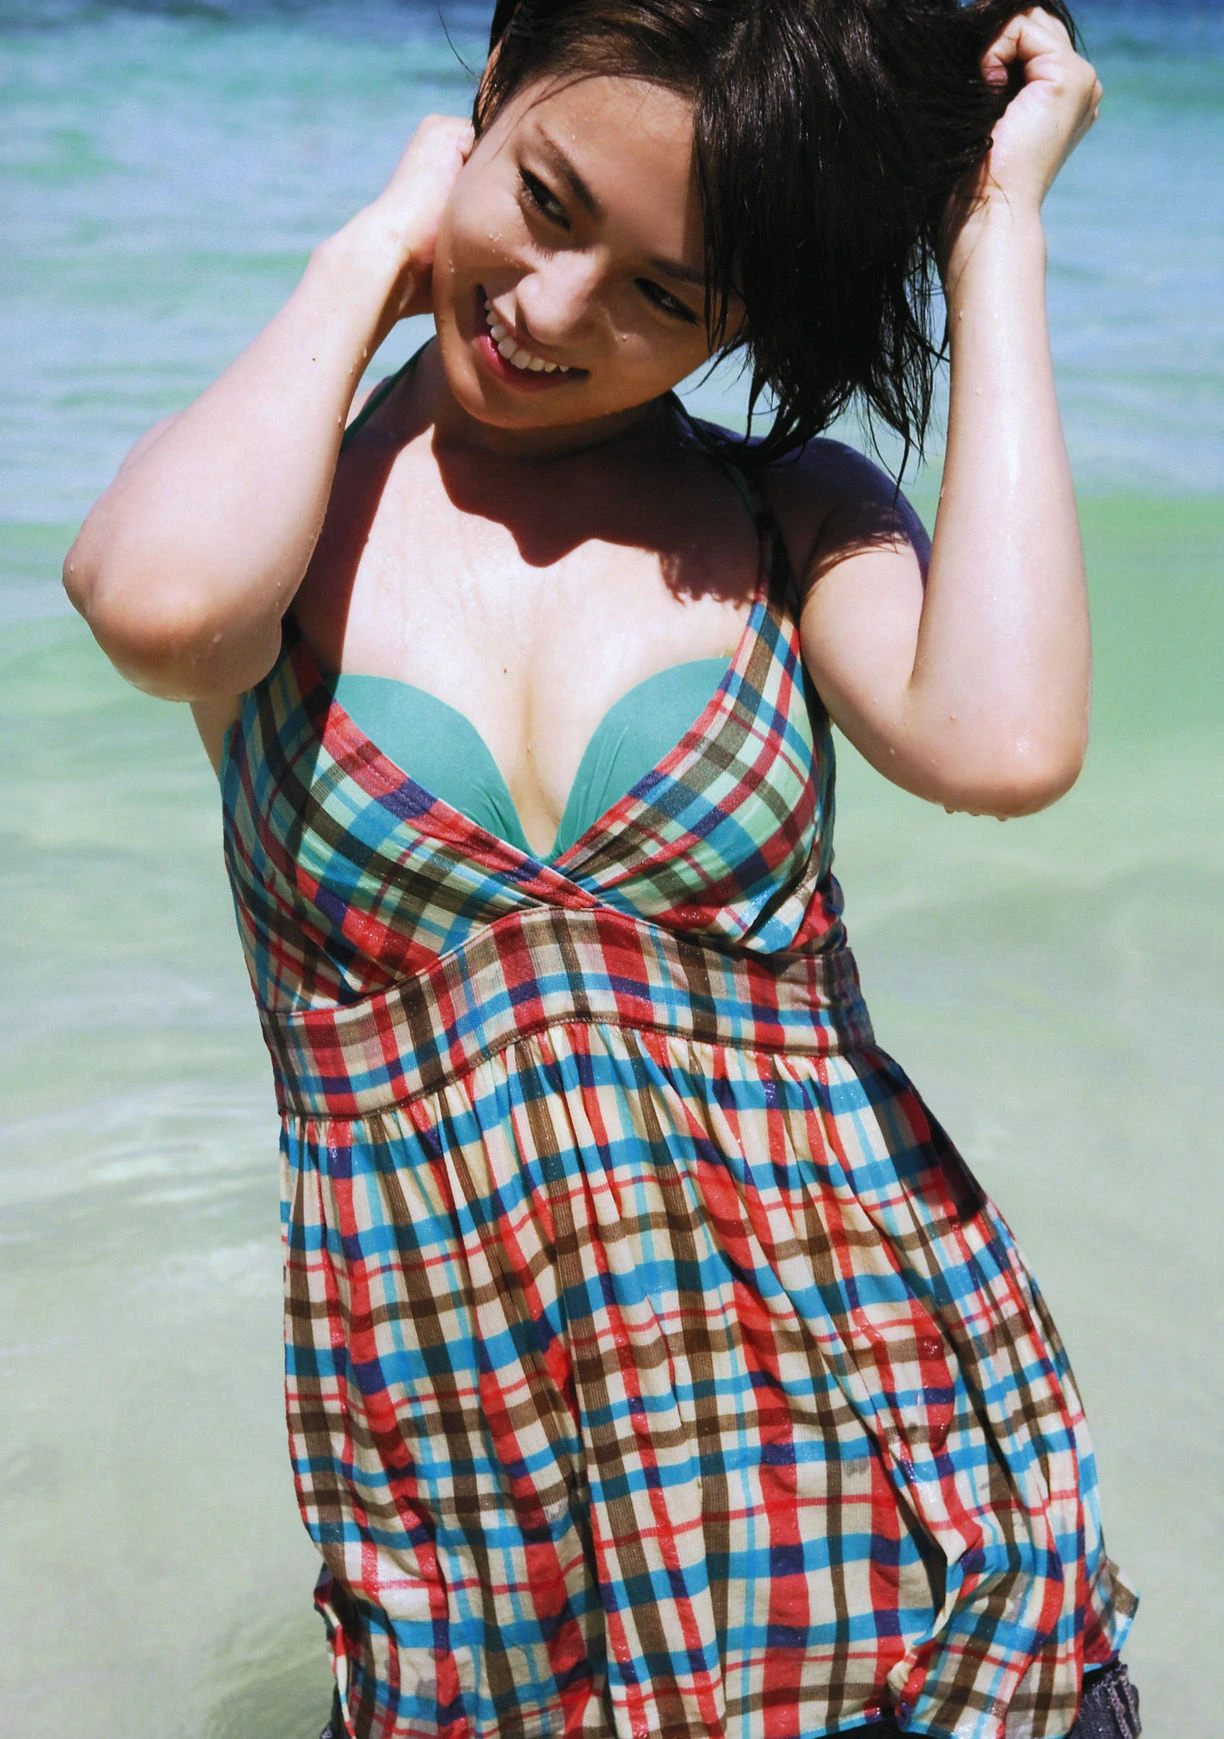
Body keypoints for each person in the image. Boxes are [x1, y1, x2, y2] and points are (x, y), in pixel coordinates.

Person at [63, 2, 1143, 1735]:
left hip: (898, 1520)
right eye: (546, 202)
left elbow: (1005, 742)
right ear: (487, 94)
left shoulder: (788, 518)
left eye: (668, 294)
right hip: (488, 1578)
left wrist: (991, 228)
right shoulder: (279, 523)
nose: (556, 312)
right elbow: (159, 608)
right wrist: (376, 248)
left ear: (742, 319)